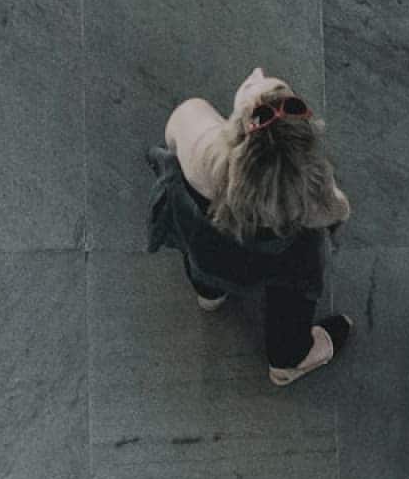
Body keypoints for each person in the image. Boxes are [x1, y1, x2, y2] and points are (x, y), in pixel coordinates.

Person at [150, 70, 355, 388]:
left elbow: (178, 127)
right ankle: (286, 361)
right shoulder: (316, 194)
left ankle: (210, 293)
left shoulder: (204, 152)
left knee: (203, 262)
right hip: (284, 264)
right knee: (291, 305)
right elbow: (337, 215)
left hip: (210, 249)